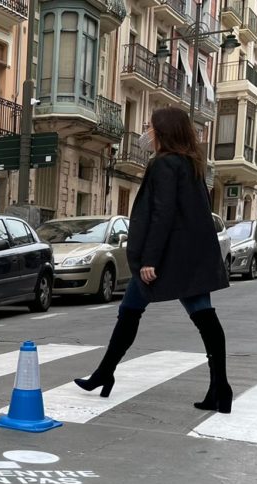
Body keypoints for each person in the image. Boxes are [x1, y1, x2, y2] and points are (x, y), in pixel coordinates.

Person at [74, 107, 232, 413]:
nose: (148, 133)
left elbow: (162, 214)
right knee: (198, 318)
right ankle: (219, 388)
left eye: (151, 127)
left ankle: (104, 374)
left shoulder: (165, 164)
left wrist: (149, 260)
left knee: (134, 313)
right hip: (190, 258)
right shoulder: (193, 163)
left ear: (163, 132)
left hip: (164, 260)